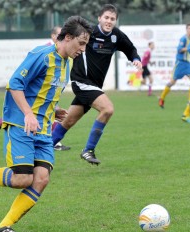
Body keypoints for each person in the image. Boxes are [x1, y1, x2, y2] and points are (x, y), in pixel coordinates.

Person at [0, 16, 92, 232]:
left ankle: (3, 227)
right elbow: (15, 84)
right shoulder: (42, 55)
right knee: (22, 179)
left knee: (41, 179)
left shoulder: (66, 62)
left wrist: (54, 108)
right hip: (21, 123)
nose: (83, 49)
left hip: (44, 129)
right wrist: (29, 113)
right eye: (81, 43)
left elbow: (39, 91)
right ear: (68, 38)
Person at [51, 4, 142, 165]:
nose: (109, 21)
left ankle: (42, 150)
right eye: (106, 17)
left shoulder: (116, 35)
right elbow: (71, 39)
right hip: (81, 81)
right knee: (107, 109)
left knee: (68, 121)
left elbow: (130, 49)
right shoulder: (88, 33)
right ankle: (88, 150)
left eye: (112, 19)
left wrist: (135, 59)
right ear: (99, 18)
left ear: (115, 21)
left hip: (94, 86)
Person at [0, 26, 71, 151]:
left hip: (47, 100)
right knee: (23, 170)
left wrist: (55, 107)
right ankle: (55, 142)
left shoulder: (66, 57)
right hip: (25, 117)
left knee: (39, 170)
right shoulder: (46, 52)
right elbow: (17, 83)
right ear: (53, 36)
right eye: (58, 34)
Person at [159, 24, 190, 109]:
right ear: (186, 29)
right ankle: (161, 98)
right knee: (172, 82)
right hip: (180, 63)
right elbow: (179, 49)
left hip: (187, 64)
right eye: (189, 28)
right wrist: (189, 48)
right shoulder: (183, 38)